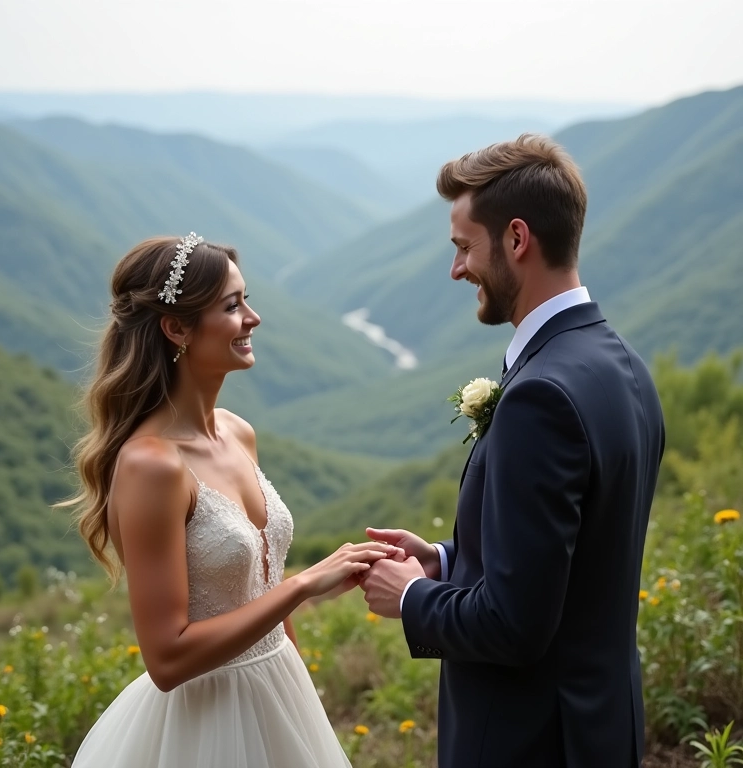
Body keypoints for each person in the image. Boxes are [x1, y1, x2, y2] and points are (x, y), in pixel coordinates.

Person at [360, 135, 665, 768]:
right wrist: (447, 559)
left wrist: (412, 597)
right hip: (602, 728)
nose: (457, 269)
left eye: (464, 247)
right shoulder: (626, 367)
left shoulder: (541, 397)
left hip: (530, 742)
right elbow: (577, 565)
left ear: (517, 239)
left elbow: (515, 627)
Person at [66, 233, 400, 767]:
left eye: (245, 299)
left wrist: (301, 694)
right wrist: (306, 586)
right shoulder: (151, 465)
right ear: (177, 328)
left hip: (278, 691)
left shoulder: (238, 432)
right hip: (204, 725)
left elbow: (261, 583)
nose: (253, 317)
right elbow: (167, 658)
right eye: (232, 305)